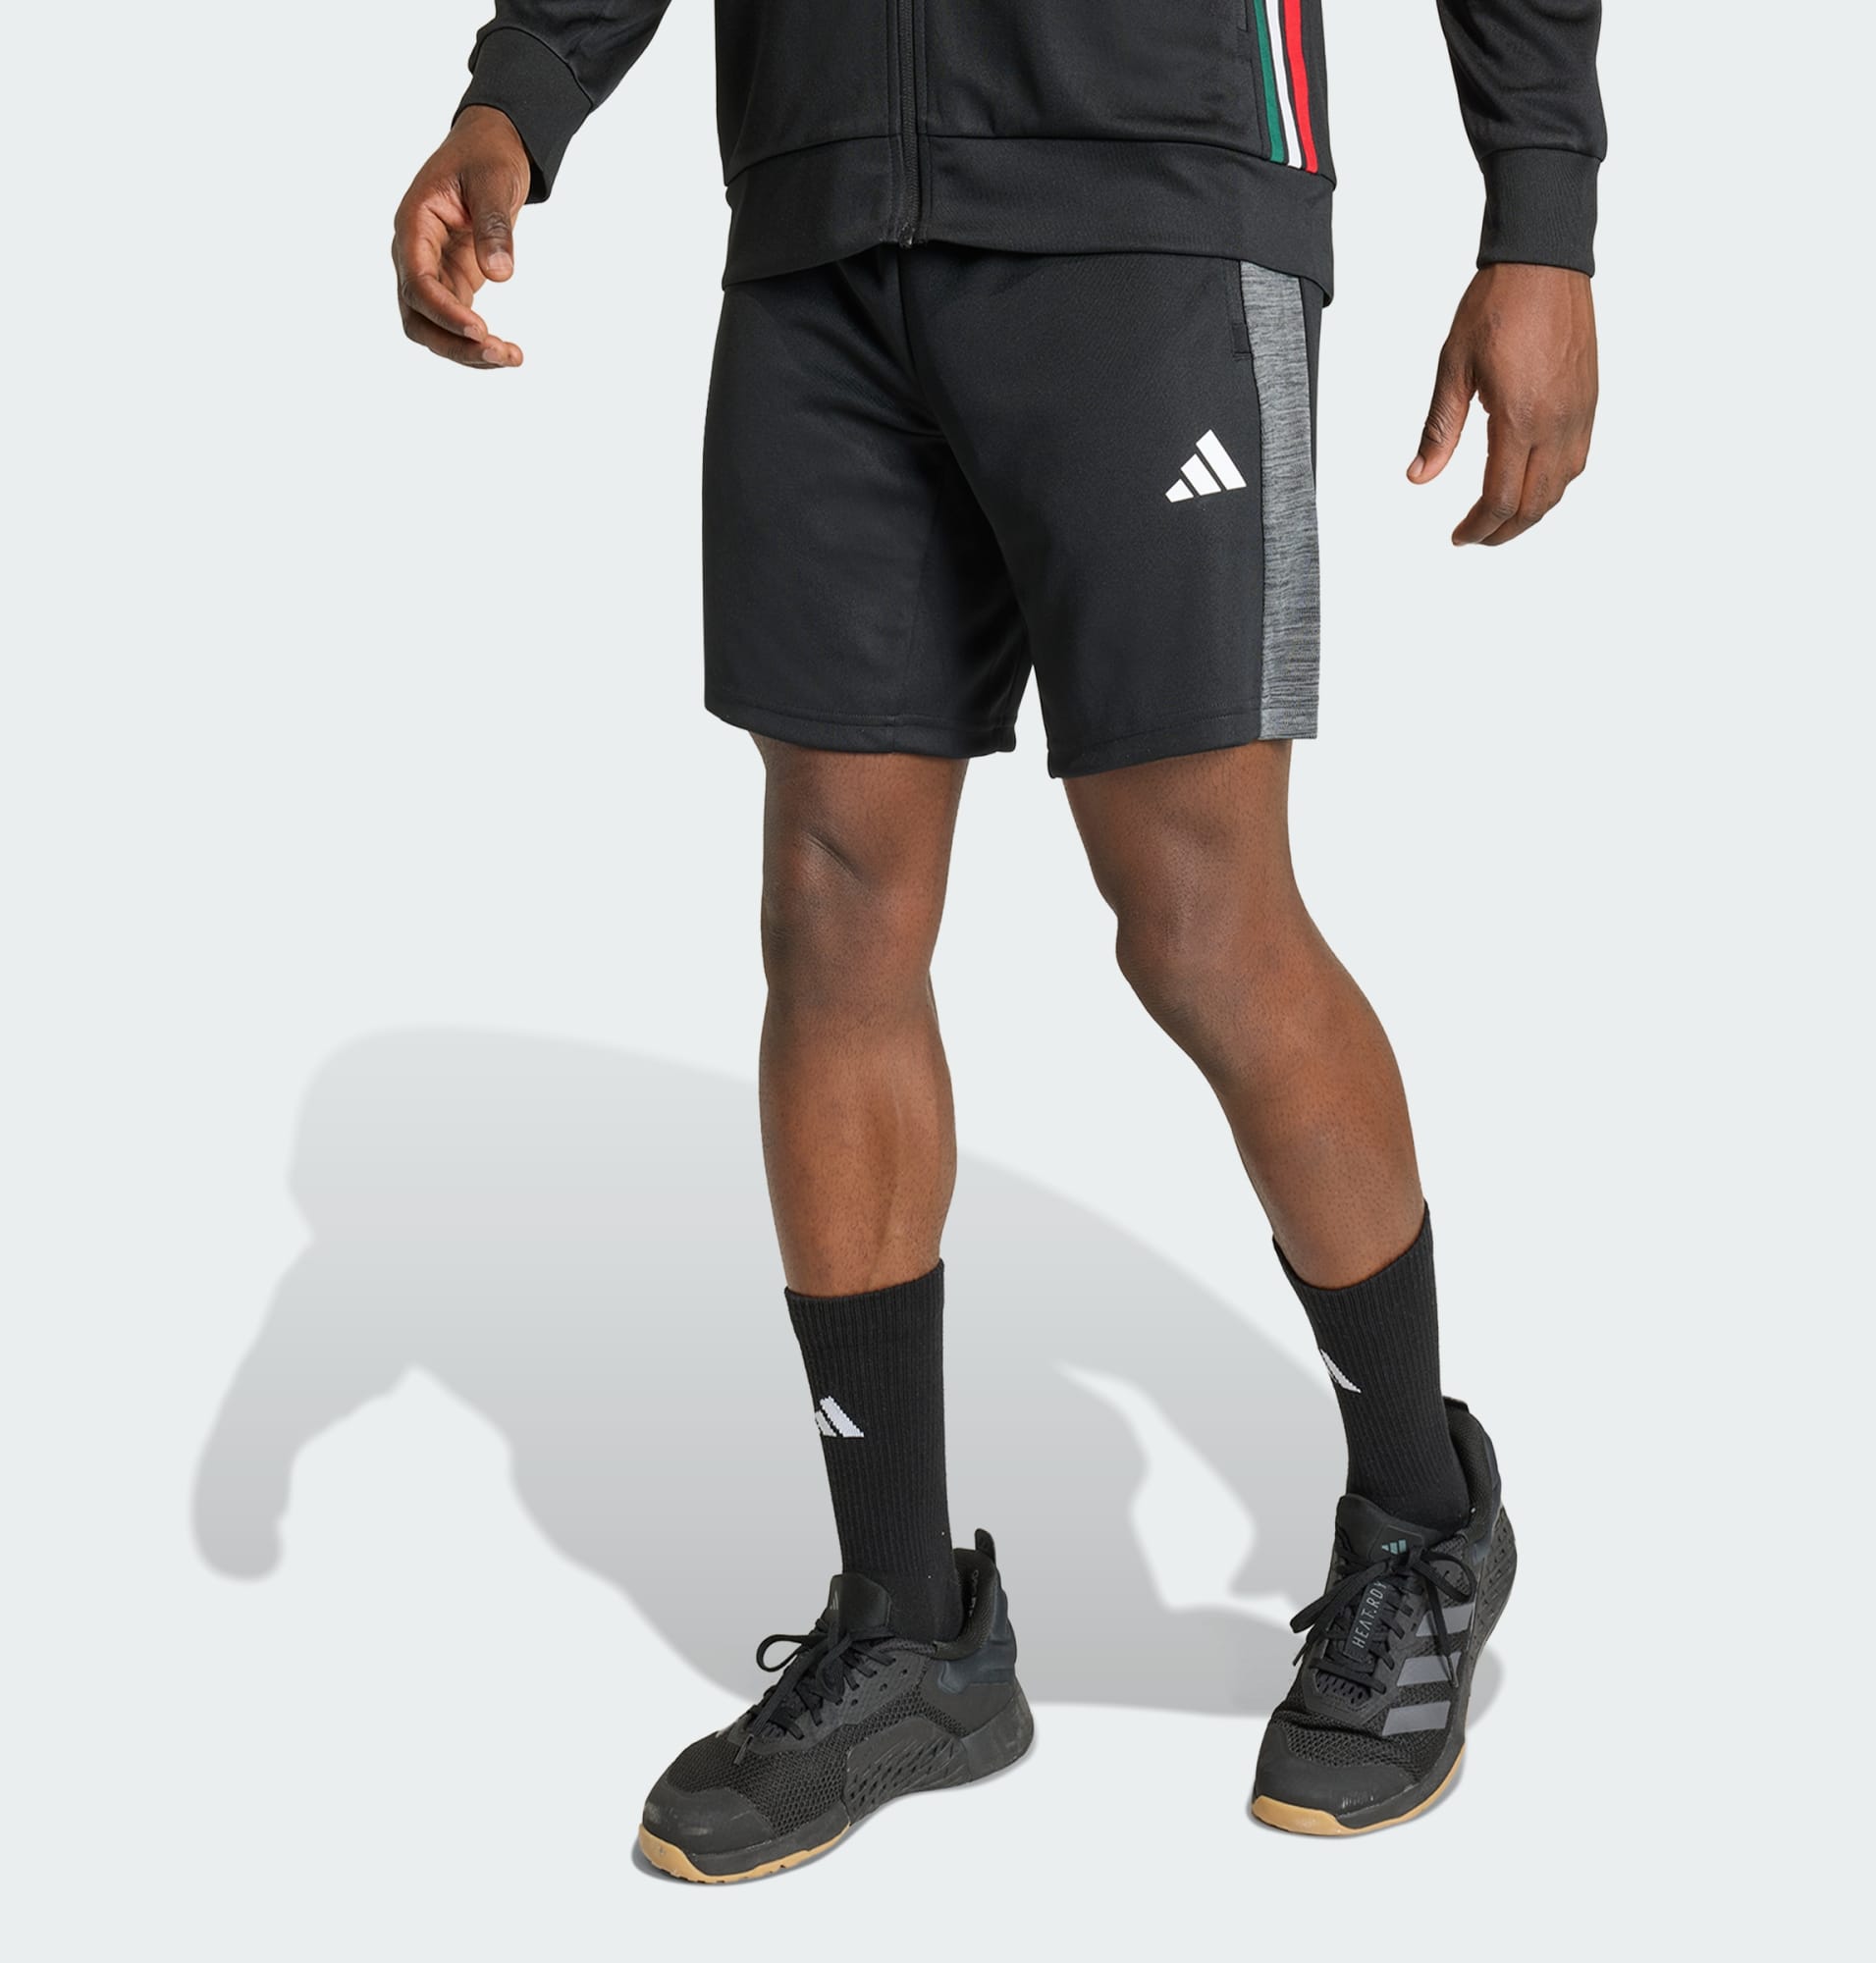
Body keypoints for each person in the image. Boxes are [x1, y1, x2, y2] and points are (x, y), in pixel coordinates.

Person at [392, 0, 1602, 1878]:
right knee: (830, 907)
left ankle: (1425, 1517)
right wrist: (524, 92)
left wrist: (1539, 215)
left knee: (1198, 919)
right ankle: (912, 1635)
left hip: (1154, 194)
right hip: (821, 217)